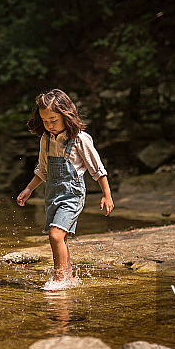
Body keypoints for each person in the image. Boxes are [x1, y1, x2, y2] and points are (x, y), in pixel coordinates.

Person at [16, 89, 114, 288]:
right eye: (45, 121)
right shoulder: (46, 140)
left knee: (55, 235)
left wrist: (107, 195)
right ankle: (68, 277)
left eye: (53, 120)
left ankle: (59, 280)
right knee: (61, 238)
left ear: (66, 115)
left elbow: (97, 169)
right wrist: (28, 189)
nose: (49, 125)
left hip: (72, 195)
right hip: (52, 195)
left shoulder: (80, 139)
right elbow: (42, 170)